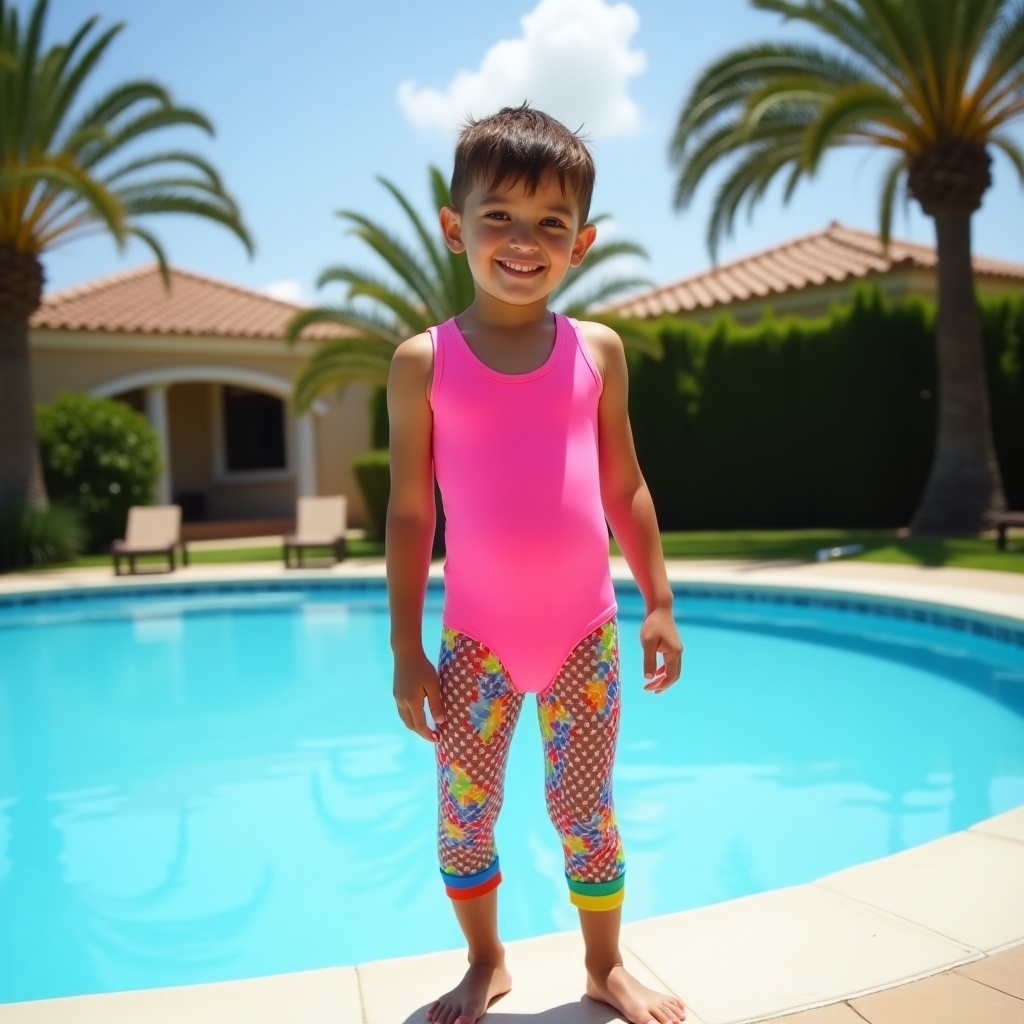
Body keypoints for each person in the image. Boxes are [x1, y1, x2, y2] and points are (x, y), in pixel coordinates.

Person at [386, 104, 686, 1024]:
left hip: (584, 635)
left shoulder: (597, 351)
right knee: (463, 817)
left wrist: (660, 599)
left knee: (585, 812)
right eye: (499, 218)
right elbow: (409, 512)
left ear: (582, 242)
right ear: (454, 228)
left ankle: (604, 967)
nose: (525, 242)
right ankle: (487, 962)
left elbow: (625, 486)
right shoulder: (422, 361)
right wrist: (407, 649)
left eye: (551, 223)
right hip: (475, 642)